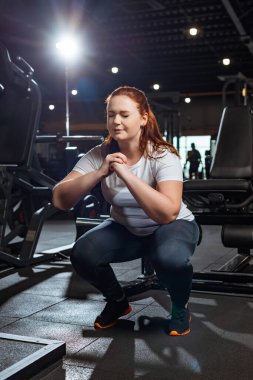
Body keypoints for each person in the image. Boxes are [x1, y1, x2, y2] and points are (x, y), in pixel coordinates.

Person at [52, 86, 199, 336]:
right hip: (127, 229)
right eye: (111, 114)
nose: (116, 121)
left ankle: (180, 307)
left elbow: (168, 213)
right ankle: (118, 301)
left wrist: (125, 173)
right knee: (83, 253)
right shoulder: (99, 154)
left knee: (170, 258)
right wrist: (99, 173)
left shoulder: (163, 156)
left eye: (124, 114)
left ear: (143, 118)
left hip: (172, 227)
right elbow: (59, 198)